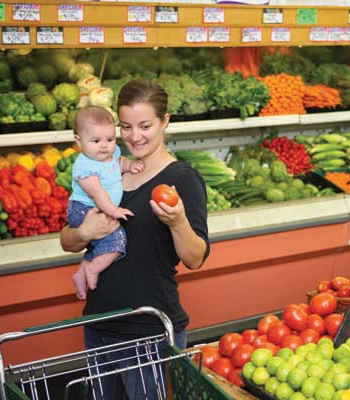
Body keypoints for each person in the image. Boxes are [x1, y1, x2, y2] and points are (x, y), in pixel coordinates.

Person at [60, 79, 210, 399]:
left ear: (165, 121)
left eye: (145, 126)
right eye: (126, 127)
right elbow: (67, 240)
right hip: (99, 324)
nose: (134, 136)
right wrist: (84, 232)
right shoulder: (105, 167)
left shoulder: (182, 179)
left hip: (149, 331)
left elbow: (195, 257)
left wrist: (178, 220)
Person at [69, 106, 144, 300]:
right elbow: (97, 193)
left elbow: (118, 163)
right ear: (79, 141)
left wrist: (129, 166)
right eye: (96, 141)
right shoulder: (85, 166)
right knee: (116, 238)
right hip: (84, 210)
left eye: (110, 140)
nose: (104, 146)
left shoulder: (108, 156)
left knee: (96, 246)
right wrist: (114, 210)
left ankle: (81, 274)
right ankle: (93, 270)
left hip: (98, 208)